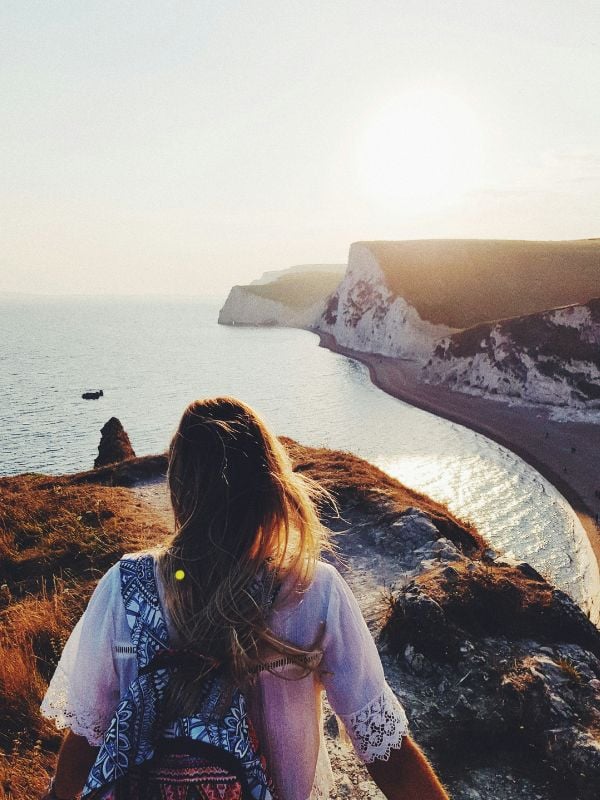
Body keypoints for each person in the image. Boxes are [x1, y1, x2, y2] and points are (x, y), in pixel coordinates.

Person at [40, 397, 450, 800]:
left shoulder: (123, 588)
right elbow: (385, 754)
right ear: (271, 488)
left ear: (179, 488)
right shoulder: (314, 591)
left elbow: (90, 734)